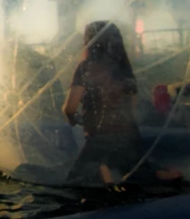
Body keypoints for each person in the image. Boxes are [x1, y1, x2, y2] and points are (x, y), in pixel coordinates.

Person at [63, 21, 182, 185]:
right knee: (139, 175)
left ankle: (101, 170)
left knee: (74, 183)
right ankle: (161, 174)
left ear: (90, 43)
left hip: (99, 139)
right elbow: (132, 110)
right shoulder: (125, 70)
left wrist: (72, 119)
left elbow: (70, 108)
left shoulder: (85, 68)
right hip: (129, 137)